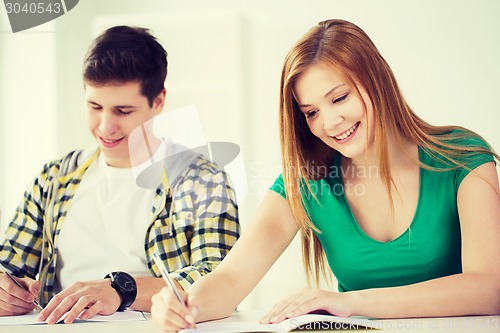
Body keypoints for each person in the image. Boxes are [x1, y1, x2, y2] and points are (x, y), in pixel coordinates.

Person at [150, 19, 500, 331]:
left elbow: (489, 288)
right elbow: (230, 279)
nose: (330, 123)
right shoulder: (307, 182)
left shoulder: (462, 156)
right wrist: (184, 303)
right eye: (312, 112)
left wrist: (351, 304)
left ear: (377, 79)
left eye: (340, 98)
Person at [0, 25, 240, 324]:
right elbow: (9, 265)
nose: (105, 126)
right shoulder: (54, 178)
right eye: (95, 106)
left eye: (123, 111)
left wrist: (120, 289)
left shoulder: (202, 179)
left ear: (159, 101)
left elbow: (218, 280)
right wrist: (4, 290)